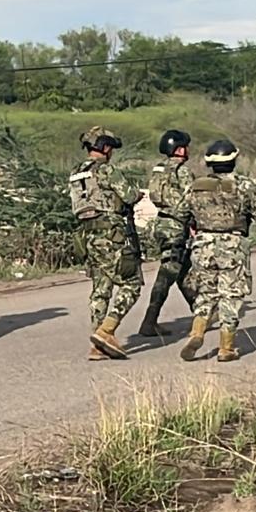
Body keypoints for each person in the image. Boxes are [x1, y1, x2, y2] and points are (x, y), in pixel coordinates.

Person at [180, 140, 256, 363]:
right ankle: (226, 348)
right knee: (231, 295)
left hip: (203, 244)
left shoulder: (196, 186)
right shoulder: (244, 185)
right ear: (234, 160)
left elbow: (181, 211)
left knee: (206, 293)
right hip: (233, 244)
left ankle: (197, 332)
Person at [69, 126, 143, 360]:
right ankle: (106, 330)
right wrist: (137, 193)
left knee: (101, 288)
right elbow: (129, 195)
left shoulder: (76, 172)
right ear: (105, 147)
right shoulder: (107, 170)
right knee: (132, 283)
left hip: (87, 235)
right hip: (112, 234)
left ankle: (97, 344)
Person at [137, 129, 198, 337]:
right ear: (179, 149)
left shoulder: (158, 169)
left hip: (160, 223)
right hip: (176, 225)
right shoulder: (182, 171)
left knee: (182, 268)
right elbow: (192, 199)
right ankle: (150, 320)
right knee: (169, 272)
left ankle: (200, 309)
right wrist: (194, 222)